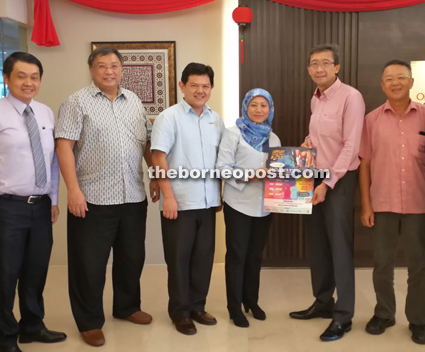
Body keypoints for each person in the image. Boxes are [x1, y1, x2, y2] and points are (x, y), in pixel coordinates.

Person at [55, 46, 158, 347]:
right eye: (102, 66)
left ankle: (127, 307)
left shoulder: (134, 101)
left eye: (114, 65)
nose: (109, 71)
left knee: (131, 258)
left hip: (132, 196)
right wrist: (73, 190)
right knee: (89, 264)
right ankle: (89, 321)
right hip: (92, 198)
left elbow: (146, 143)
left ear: (121, 69)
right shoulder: (77, 102)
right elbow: (64, 147)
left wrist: (154, 174)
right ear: (91, 70)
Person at [0, 52, 66, 352]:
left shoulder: (46, 113)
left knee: (36, 271)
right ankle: (6, 338)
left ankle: (32, 326)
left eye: (34, 77)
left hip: (40, 206)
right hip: (6, 207)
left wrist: (52, 197)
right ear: (6, 78)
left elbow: (51, 163)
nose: (28, 82)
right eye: (21, 76)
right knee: (6, 274)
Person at [289, 44, 365, 341]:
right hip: (313, 177)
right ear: (308, 69)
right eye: (313, 64)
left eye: (325, 63)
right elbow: (320, 134)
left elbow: (351, 145)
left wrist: (328, 183)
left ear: (337, 67)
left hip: (339, 180)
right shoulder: (316, 98)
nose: (318, 68)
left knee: (340, 248)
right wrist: (308, 141)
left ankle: (343, 315)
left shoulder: (351, 97)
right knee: (318, 244)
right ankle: (323, 303)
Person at [359, 60, 425, 345]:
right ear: (382, 85)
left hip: (419, 203)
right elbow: (364, 164)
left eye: (401, 77)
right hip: (383, 203)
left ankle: (418, 320)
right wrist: (366, 205)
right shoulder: (371, 120)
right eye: (389, 78)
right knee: (382, 264)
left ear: (411, 82)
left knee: (419, 266)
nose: (395, 83)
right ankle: (384, 313)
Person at [151, 62, 225, 335]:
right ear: (182, 86)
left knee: (203, 258)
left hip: (207, 202)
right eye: (194, 85)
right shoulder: (169, 117)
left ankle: (197, 306)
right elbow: (158, 156)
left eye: (205, 86)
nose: (200, 90)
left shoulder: (215, 119)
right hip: (179, 202)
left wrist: (218, 193)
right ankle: (180, 312)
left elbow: (221, 160)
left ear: (212, 88)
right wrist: (167, 197)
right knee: (179, 260)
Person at [216, 88, 281, 328]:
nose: (259, 110)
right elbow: (222, 168)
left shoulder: (274, 139)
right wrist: (251, 177)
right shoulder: (233, 134)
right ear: (245, 107)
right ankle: (234, 308)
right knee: (237, 256)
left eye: (264, 105)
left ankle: (251, 302)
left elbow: (280, 172)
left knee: (255, 256)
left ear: (270, 109)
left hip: (265, 206)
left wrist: (300, 155)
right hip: (238, 204)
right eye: (254, 105)